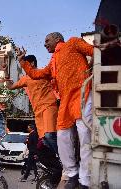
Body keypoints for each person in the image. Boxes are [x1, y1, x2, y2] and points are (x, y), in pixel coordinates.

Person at [16, 32, 94, 188]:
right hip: (65, 101)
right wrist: (22, 61)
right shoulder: (53, 61)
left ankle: (85, 179)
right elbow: (35, 74)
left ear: (57, 39)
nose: (45, 44)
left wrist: (91, 67)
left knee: (85, 135)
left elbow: (94, 51)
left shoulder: (72, 43)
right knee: (63, 137)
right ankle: (72, 173)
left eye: (47, 41)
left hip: (82, 93)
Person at [7, 54, 58, 154]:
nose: (23, 67)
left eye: (25, 64)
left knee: (49, 135)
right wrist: (5, 72)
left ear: (32, 63)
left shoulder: (43, 73)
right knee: (44, 139)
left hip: (49, 106)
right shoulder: (26, 79)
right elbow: (10, 86)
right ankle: (58, 161)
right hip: (37, 111)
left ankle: (64, 159)